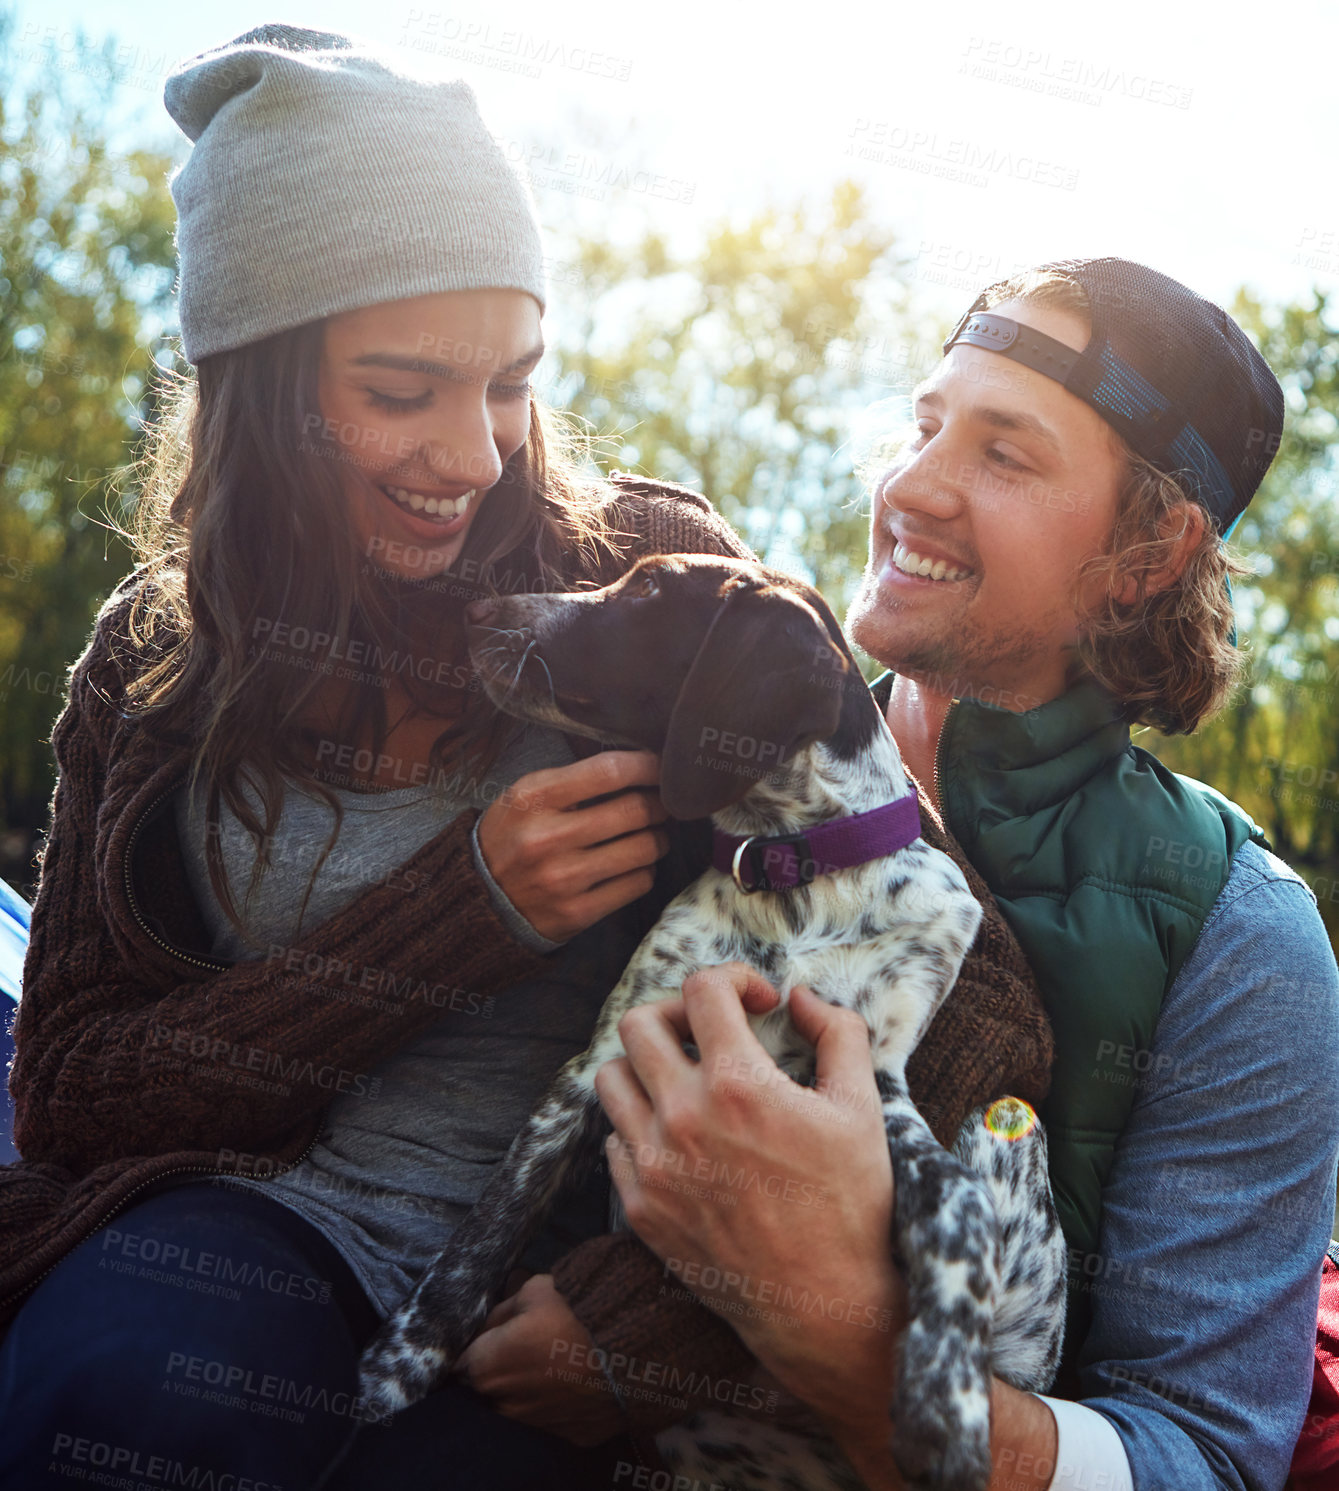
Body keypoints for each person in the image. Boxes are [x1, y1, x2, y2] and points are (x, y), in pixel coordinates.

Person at [0, 24, 1054, 1490]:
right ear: (256, 382)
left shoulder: (660, 582)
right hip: (253, 1223)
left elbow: (979, 1001)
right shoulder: (157, 654)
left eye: (509, 378)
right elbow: (71, 1088)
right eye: (400, 387)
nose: (477, 452)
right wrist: (457, 914)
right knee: (119, 1415)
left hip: (560, 1275)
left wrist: (648, 1320)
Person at [571, 262, 1339, 1491]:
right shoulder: (700, 757)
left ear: (1152, 547)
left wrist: (843, 1332)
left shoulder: (1239, 938)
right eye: (926, 425)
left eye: (1004, 454)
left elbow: (1199, 1455)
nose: (910, 488)